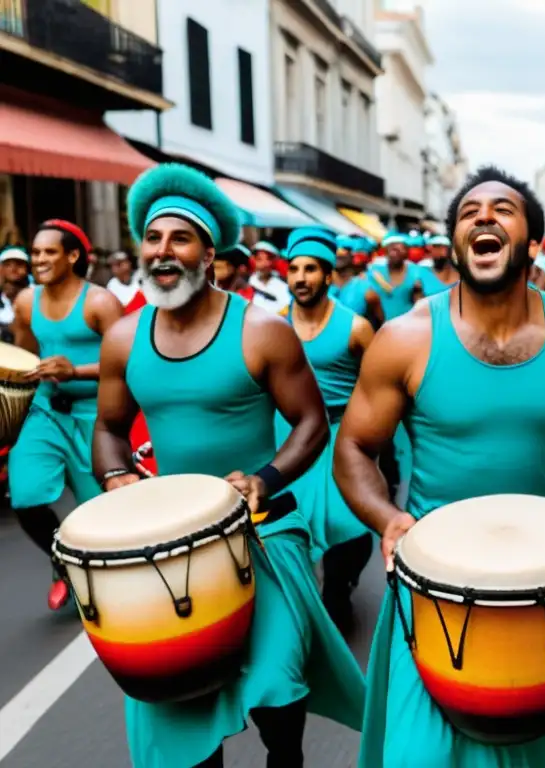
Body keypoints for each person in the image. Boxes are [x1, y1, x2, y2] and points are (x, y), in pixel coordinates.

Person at [334, 165, 545, 767]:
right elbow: (352, 448)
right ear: (455, 244)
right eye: (468, 213)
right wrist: (386, 517)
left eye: (503, 209)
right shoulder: (405, 338)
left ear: (533, 244)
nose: (483, 217)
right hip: (429, 586)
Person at [91, 163, 365, 768]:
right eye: (154, 238)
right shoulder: (123, 338)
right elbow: (109, 429)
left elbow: (312, 424)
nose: (163, 251)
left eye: (180, 238)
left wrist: (262, 481)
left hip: (264, 532)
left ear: (209, 253)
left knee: (277, 689)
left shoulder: (262, 331)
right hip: (168, 544)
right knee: (183, 712)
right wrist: (116, 478)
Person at [9, 219, 123, 609]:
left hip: (97, 415)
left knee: (101, 514)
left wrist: (74, 370)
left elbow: (129, 362)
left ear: (73, 256)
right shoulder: (25, 301)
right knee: (24, 496)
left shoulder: (100, 303)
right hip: (44, 410)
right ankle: (63, 562)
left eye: (48, 252)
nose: (38, 260)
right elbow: (23, 359)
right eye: (35, 252)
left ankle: (110, 583)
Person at [278, 227, 375, 634]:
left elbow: (377, 388)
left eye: (311, 269)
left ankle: (339, 587)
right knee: (288, 526)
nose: (301, 277)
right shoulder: (272, 327)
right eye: (294, 269)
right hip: (288, 435)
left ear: (329, 275)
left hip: (341, 437)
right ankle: (303, 604)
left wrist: (377, 445)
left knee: (350, 525)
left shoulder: (356, 328)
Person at [366, 232, 424, 321]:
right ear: (385, 251)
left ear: (407, 252)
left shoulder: (417, 272)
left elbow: (420, 304)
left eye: (400, 249)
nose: (395, 252)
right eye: (391, 248)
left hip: (407, 325)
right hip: (379, 326)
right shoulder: (374, 271)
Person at [249, 241, 291, 314]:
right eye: (259, 259)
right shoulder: (246, 283)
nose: (264, 264)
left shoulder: (283, 284)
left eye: (268, 259)